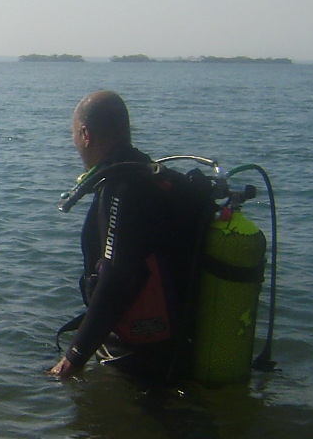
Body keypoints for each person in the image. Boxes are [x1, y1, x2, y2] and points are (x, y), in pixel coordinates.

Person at [48, 91, 205, 382]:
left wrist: (72, 359)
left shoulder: (124, 188)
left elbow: (119, 276)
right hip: (177, 343)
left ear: (85, 135)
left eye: (73, 135)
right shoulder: (151, 177)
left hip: (143, 361)